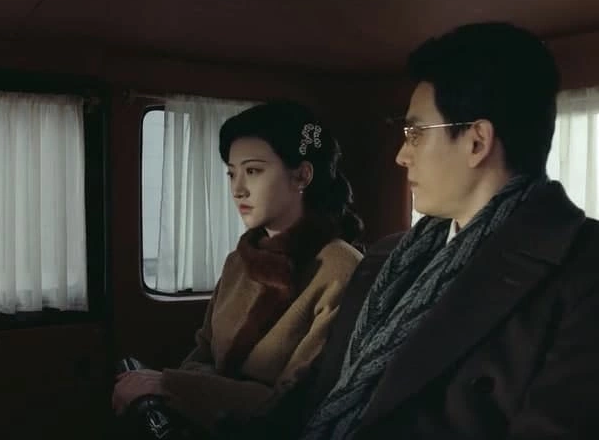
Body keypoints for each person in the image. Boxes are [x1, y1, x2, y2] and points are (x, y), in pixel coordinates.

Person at [263, 22, 599, 440]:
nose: (402, 155)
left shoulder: (583, 271)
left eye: (415, 133)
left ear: (476, 142)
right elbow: (319, 392)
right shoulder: (387, 258)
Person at [111, 100, 365, 437]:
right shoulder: (240, 261)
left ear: (302, 175)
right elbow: (202, 353)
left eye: (253, 171)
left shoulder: (341, 268)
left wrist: (169, 385)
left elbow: (294, 406)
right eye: (232, 173)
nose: (237, 188)